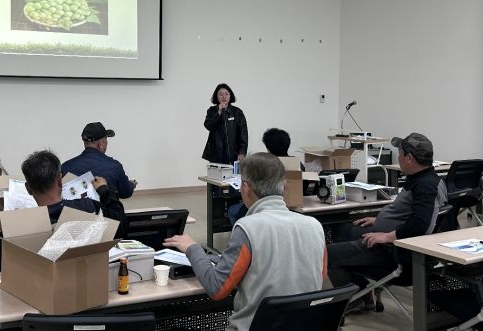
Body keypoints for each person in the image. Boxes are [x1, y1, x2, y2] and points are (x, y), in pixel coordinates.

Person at [165, 153, 326, 331]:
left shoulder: (247, 228)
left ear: (245, 187)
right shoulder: (315, 226)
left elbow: (217, 289)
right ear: (285, 186)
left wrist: (192, 248)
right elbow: (320, 275)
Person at [327, 132, 447, 311]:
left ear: (409, 158)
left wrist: (386, 236)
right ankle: (361, 291)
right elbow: (414, 215)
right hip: (392, 241)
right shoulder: (427, 179)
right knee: (340, 230)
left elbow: (420, 225)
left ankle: (358, 297)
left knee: (326, 254)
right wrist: (380, 220)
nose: (398, 157)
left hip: (395, 253)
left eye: (400, 153)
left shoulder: (424, 186)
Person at [0, 150, 127, 276]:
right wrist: (104, 190)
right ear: (60, 180)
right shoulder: (89, 207)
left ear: (28, 189)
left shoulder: (16, 225)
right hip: (83, 283)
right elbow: (120, 226)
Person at [228, 127, 301, 224]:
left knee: (233, 210)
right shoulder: (298, 164)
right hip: (293, 206)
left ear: (268, 147)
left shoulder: (265, 166)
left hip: (263, 207)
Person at [61, 122, 137, 199]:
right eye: (106, 139)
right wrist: (131, 185)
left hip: (75, 207)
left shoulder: (65, 167)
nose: (107, 143)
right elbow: (125, 193)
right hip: (107, 207)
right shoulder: (114, 167)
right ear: (100, 144)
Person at [202, 83, 248, 165]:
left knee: (233, 173)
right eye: (221, 94)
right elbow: (209, 126)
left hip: (234, 153)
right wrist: (219, 112)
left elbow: (243, 133)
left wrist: (242, 152)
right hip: (215, 154)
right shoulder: (211, 111)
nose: (224, 97)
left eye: (226, 94)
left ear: (230, 96)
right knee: (216, 173)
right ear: (216, 97)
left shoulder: (237, 112)